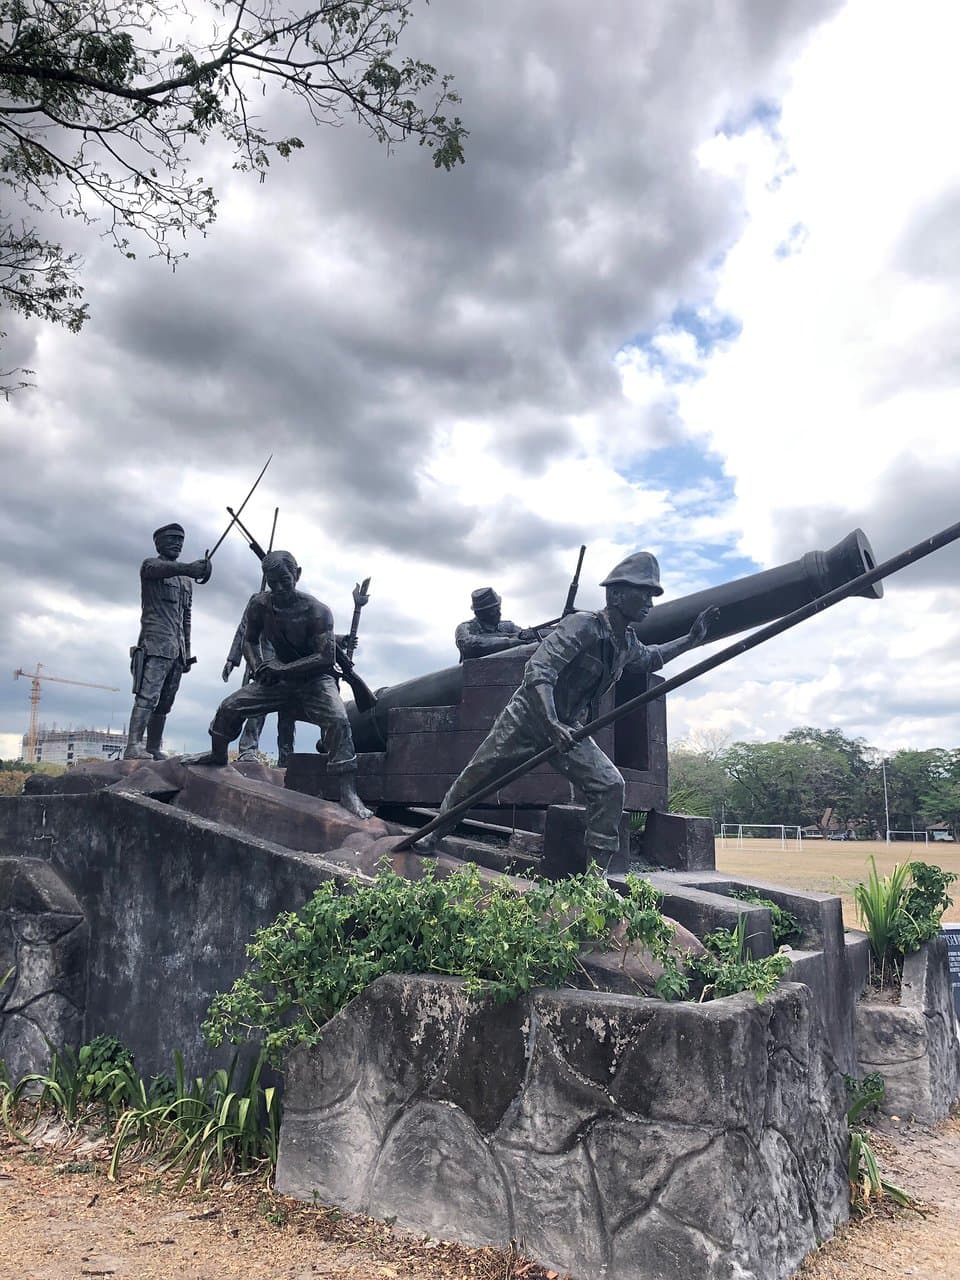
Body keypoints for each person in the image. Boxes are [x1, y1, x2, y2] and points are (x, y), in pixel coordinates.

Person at [431, 551, 716, 860]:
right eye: (644, 593)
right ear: (617, 594)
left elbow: (650, 658)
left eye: (652, 595)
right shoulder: (582, 625)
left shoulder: (626, 642)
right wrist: (550, 721)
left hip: (567, 727)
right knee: (477, 777)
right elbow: (539, 670)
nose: (650, 602)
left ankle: (596, 880)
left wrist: (691, 640)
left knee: (610, 785)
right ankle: (434, 833)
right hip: (529, 718)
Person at [191, 551, 371, 819]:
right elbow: (249, 641)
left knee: (338, 721)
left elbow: (325, 657)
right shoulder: (260, 605)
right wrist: (258, 667)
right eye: (272, 582)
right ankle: (218, 755)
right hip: (279, 679)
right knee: (229, 706)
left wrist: (282, 668)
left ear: (297, 575)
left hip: (315, 680)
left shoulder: (318, 611)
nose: (279, 588)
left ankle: (348, 793)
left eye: (284, 581)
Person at [124, 523, 211, 761]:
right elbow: (161, 569)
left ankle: (152, 747)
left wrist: (188, 652)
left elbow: (187, 618)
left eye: (180, 540)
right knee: (147, 696)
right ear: (158, 543)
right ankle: (133, 745)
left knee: (165, 703)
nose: (177, 543)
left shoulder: (186, 582)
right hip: (155, 645)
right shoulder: (150, 566)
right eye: (172, 539)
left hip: (177, 650)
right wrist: (190, 567)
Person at [222, 596, 296, 765]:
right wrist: (233, 659)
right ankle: (248, 750)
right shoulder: (258, 601)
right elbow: (244, 629)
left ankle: (287, 757)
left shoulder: (296, 603)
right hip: (260, 662)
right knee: (255, 709)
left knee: (289, 712)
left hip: (287, 665)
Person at [454, 587, 538, 661]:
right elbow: (469, 644)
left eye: (499, 608)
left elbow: (525, 635)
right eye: (494, 611)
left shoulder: (507, 626)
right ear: (480, 614)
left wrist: (525, 637)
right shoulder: (465, 628)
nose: (499, 613)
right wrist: (511, 642)